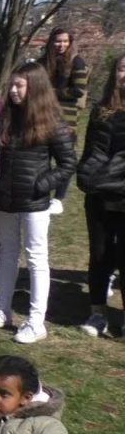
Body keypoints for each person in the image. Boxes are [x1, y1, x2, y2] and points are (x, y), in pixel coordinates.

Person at [0, 62, 77, 344]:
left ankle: (36, 321)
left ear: (34, 88)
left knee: (36, 258)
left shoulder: (52, 123)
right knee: (7, 254)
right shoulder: (5, 119)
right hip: (5, 200)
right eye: (11, 85)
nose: (13, 91)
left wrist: (41, 185)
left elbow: (67, 163)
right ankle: (3, 310)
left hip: (34, 203)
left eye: (19, 85)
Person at [76, 53, 125, 338]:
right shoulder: (101, 110)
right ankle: (97, 312)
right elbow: (91, 151)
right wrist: (87, 176)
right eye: (121, 69)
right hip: (99, 197)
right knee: (100, 255)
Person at [40, 28, 89, 215]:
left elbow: (78, 90)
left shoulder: (77, 62)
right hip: (43, 115)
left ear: (70, 43)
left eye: (64, 42)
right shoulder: (43, 62)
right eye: (57, 41)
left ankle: (58, 198)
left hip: (66, 118)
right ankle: (41, 191)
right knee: (42, 156)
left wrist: (51, 93)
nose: (60, 45)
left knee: (65, 158)